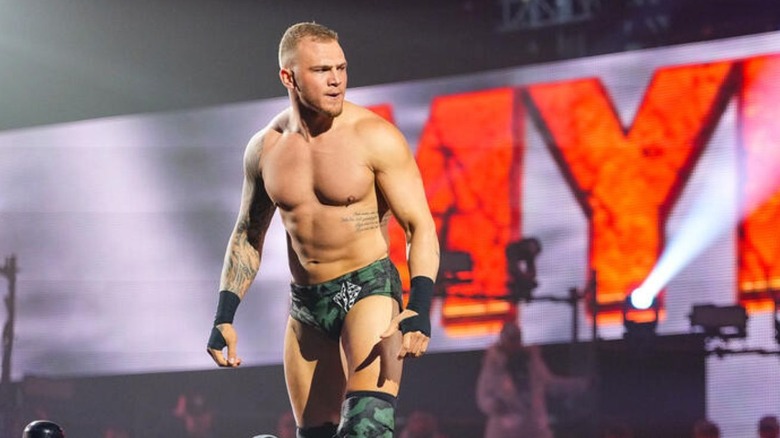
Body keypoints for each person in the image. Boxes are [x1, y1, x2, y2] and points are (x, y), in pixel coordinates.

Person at [205, 22, 440, 438]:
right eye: (322, 71)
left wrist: (419, 306)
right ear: (289, 77)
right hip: (307, 305)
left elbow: (419, 225)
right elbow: (247, 234)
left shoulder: (374, 137)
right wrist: (225, 314)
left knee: (365, 430)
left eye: (342, 68)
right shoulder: (266, 149)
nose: (336, 81)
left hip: (368, 290)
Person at [476, 320, 589, 438]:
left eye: (515, 338)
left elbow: (551, 384)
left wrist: (581, 384)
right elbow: (483, 396)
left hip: (532, 429)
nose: (513, 343)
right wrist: (494, 405)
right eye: (510, 338)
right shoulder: (493, 366)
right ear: (502, 339)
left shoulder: (533, 363)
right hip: (504, 432)